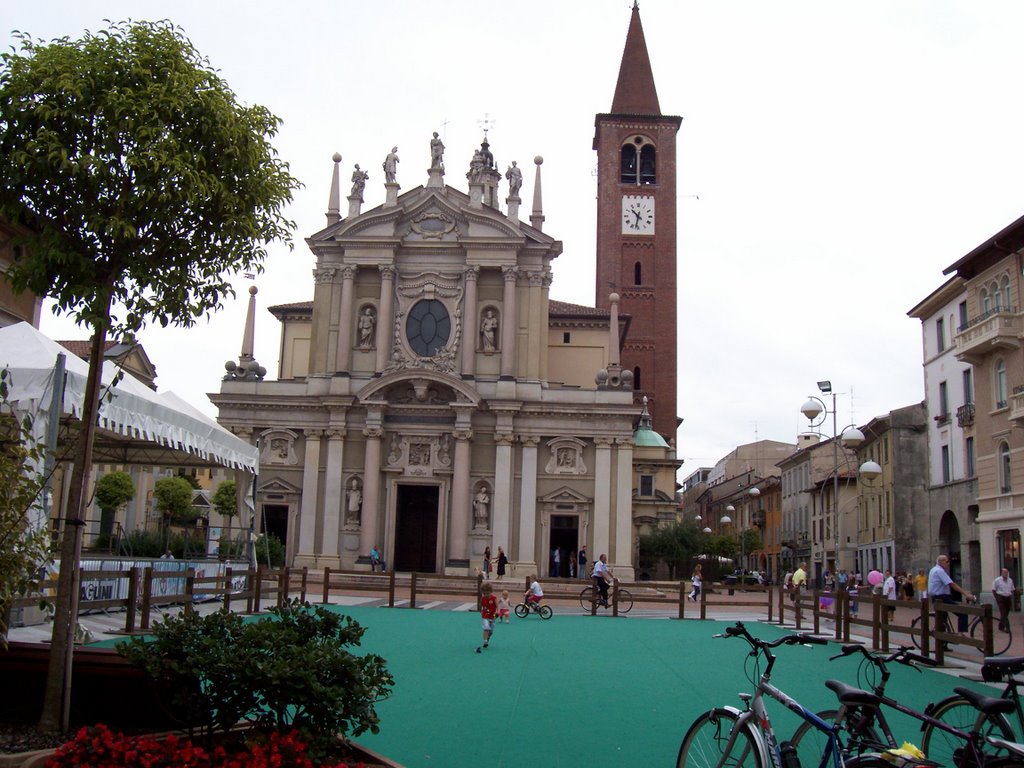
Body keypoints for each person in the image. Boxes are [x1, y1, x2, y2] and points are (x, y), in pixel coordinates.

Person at [928, 554, 975, 632]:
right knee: (962, 612)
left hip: (937, 598)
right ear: (941, 562)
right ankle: (961, 635)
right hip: (942, 598)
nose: (948, 563)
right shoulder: (939, 571)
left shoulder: (934, 569)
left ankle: (943, 640)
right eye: (947, 562)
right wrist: (966, 594)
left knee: (942, 619)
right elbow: (951, 584)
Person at [992, 567, 1016, 633]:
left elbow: (1012, 589)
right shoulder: (997, 580)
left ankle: (1001, 626)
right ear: (1001, 573)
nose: (1006, 574)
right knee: (1003, 613)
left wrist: (1012, 597)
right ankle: (1008, 628)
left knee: (1005, 614)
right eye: (1004, 572)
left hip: (1008, 598)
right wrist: (997, 598)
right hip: (1001, 598)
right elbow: (993, 589)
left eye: (1007, 572)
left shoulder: (1010, 580)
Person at [477, 582, 497, 653]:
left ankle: (487, 638)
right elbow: (480, 605)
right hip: (485, 615)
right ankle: (485, 642)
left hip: (493, 616)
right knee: (486, 628)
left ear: (491, 592)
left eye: (487, 593)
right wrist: (480, 610)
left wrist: (497, 612)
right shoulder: (483, 599)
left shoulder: (494, 598)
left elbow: (497, 606)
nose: (486, 595)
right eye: (484, 593)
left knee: (491, 631)